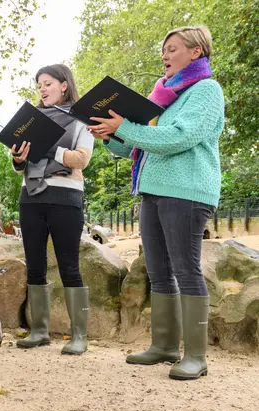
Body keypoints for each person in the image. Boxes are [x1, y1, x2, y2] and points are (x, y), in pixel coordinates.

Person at [89, 26, 224, 380]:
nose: (165, 55)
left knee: (186, 269)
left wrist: (128, 128)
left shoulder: (206, 91)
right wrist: (110, 133)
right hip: (153, 191)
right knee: (158, 271)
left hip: (187, 192)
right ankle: (164, 345)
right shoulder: (164, 97)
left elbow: (181, 137)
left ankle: (196, 356)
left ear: (196, 52)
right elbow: (136, 146)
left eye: (173, 48)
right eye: (163, 49)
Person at [12, 64, 94, 355]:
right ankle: (39, 330)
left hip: (66, 196)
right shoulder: (31, 121)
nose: (43, 90)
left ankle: (79, 336)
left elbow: (81, 160)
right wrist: (18, 157)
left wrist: (50, 149)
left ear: (64, 85)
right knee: (35, 266)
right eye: (39, 86)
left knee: (69, 267)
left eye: (48, 83)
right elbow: (22, 166)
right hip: (31, 196)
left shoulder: (82, 120)